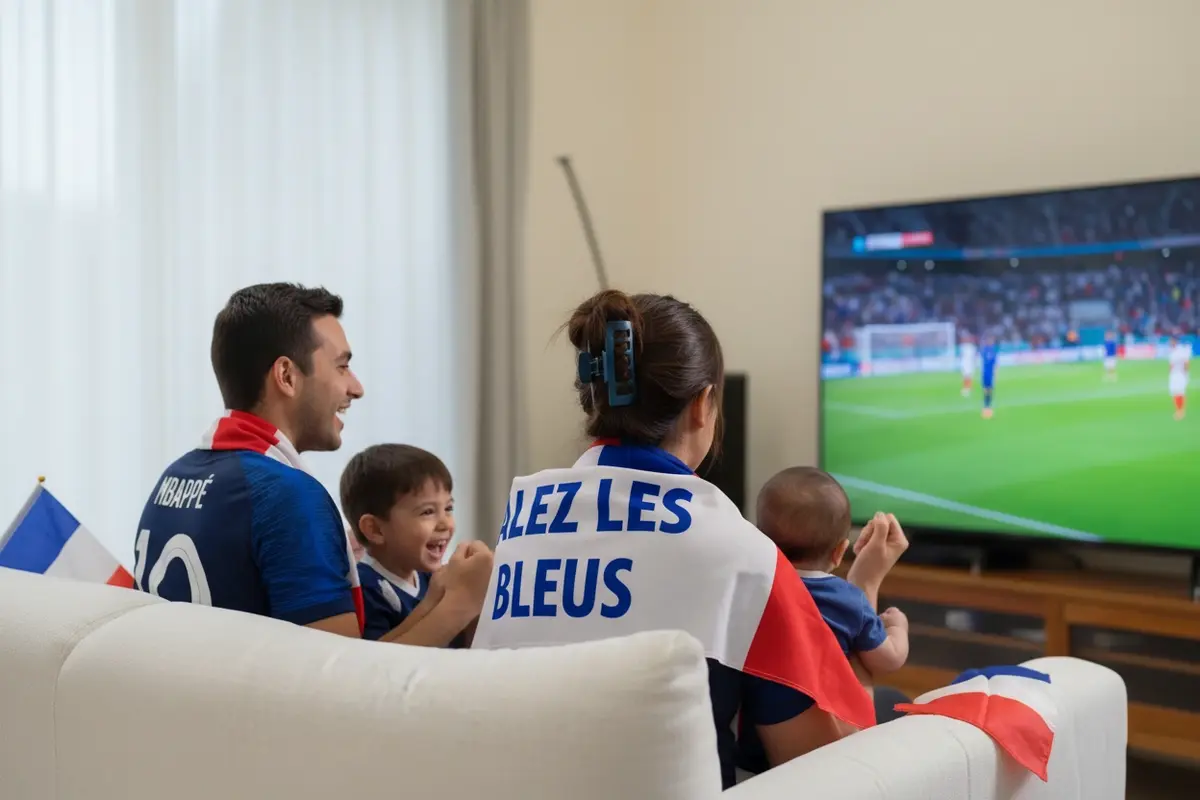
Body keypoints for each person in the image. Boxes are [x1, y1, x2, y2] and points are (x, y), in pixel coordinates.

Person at [470, 289, 908, 789]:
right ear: (704, 405)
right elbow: (820, 768)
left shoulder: (521, 517)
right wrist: (863, 586)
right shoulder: (741, 553)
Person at [133, 282, 492, 642]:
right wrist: (461, 603)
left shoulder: (174, 476)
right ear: (287, 376)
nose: (356, 387)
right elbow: (339, 680)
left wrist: (434, 602)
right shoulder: (290, 496)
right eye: (342, 366)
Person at [755, 468, 910, 682]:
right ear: (839, 552)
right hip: (825, 710)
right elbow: (889, 660)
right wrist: (897, 627)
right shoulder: (849, 601)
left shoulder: (751, 587)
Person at [340, 443, 486, 645]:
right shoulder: (366, 589)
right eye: (427, 512)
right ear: (375, 530)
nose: (445, 523)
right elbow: (375, 665)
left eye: (448, 508)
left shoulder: (432, 578)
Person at [1168, 334, 1190, 420]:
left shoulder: (1181, 350)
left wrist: (1185, 373)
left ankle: (1181, 410)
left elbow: (1186, 362)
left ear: (1175, 341)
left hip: (1180, 374)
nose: (1170, 342)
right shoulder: (1172, 351)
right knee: (1174, 392)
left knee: (1180, 392)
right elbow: (1171, 364)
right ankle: (1178, 410)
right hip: (1174, 374)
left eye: (1171, 340)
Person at [980, 335, 999, 419]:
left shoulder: (992, 351)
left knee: (989, 390)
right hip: (985, 373)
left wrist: (995, 374)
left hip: (990, 374)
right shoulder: (985, 350)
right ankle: (986, 406)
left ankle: (988, 406)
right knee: (986, 390)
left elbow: (995, 365)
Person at [959, 333, 977, 397]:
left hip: (970, 363)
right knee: (966, 376)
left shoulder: (972, 347)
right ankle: (966, 388)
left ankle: (969, 387)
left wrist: (974, 362)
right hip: (965, 363)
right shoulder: (963, 347)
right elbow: (961, 355)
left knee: (970, 375)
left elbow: (974, 356)